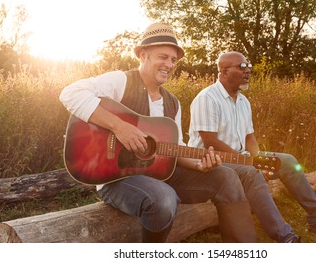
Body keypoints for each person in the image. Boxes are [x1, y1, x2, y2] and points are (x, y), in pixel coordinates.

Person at [59, 22, 260, 243]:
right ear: (143, 54)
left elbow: (176, 148)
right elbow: (70, 93)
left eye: (173, 60)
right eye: (163, 57)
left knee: (226, 176)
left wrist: (198, 164)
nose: (169, 64)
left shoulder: (172, 103)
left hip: (160, 173)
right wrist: (120, 127)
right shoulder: (121, 81)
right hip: (116, 178)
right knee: (164, 198)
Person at [188, 51, 316, 240]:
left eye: (249, 66)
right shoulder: (207, 98)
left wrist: (258, 160)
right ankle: (285, 236)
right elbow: (211, 142)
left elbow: (249, 138)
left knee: (287, 161)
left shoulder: (243, 101)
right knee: (252, 173)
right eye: (242, 67)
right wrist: (250, 163)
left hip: (240, 156)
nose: (248, 71)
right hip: (211, 161)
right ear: (224, 71)